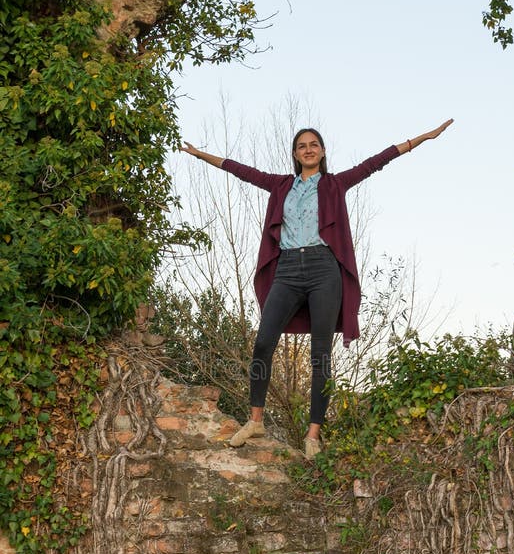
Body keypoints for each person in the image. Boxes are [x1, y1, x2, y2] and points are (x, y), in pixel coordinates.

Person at [181, 119, 453, 458]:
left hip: (325, 268)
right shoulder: (281, 186)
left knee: (320, 354)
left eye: (313, 145)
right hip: (289, 269)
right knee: (264, 341)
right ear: (295, 155)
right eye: (301, 146)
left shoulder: (335, 184)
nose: (308, 149)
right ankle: (255, 420)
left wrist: (421, 139)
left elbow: (376, 161)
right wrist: (199, 155)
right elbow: (241, 170)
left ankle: (313, 434)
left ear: (322, 152)